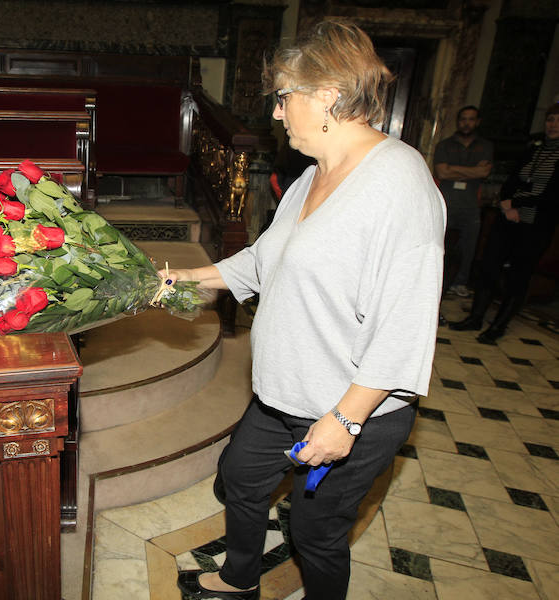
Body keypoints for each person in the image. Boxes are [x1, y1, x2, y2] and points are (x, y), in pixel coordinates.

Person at [161, 20, 445, 600]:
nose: (277, 113)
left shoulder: (400, 183)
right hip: (283, 394)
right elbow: (261, 264)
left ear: (328, 96)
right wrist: (172, 280)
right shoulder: (310, 177)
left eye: (284, 97)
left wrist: (345, 421)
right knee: (239, 480)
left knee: (315, 534)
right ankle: (241, 578)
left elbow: (406, 326)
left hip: (351, 410)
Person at [449, 103, 559, 343]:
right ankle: (475, 318)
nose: (553, 125)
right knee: (488, 267)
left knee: (518, 276)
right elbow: (513, 178)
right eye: (550, 119)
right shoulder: (534, 146)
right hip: (508, 217)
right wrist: (508, 202)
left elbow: (552, 196)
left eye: (557, 121)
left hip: (536, 224)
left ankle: (498, 326)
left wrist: (517, 203)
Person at [434, 106, 494, 298]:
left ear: (477, 122)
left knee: (469, 246)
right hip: (447, 200)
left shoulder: (485, 146)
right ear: (458, 121)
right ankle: (436, 281)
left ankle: (459, 282)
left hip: (470, 203)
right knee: (439, 244)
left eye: (471, 119)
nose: (466, 123)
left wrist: (454, 169)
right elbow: (442, 172)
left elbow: (484, 172)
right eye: (463, 119)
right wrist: (472, 170)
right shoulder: (445, 145)